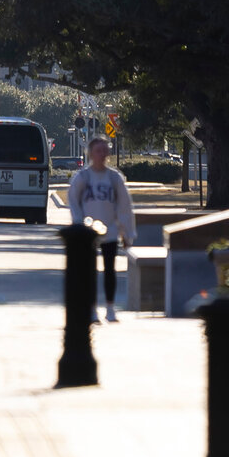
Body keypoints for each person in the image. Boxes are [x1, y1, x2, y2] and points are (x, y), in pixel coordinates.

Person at [68, 137, 135, 321]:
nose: (102, 154)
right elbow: (73, 201)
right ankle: (91, 308)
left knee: (109, 270)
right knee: (89, 271)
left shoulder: (114, 178)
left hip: (111, 231)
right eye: (98, 150)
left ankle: (110, 308)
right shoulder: (83, 177)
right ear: (90, 153)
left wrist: (127, 232)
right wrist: (78, 223)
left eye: (105, 150)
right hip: (88, 233)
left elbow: (124, 206)